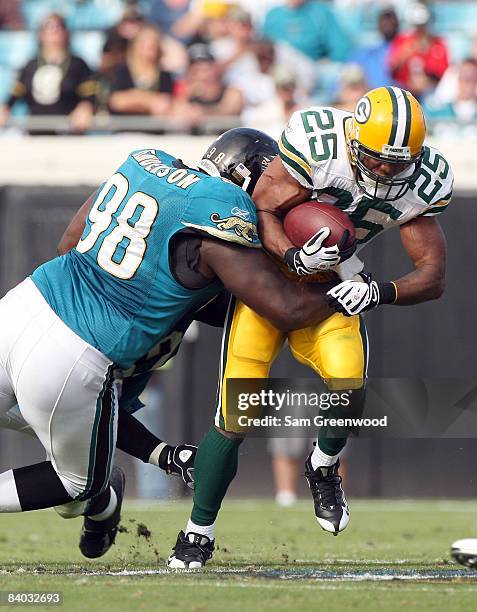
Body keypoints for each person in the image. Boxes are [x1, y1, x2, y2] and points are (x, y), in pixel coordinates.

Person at [0, 128, 337, 559]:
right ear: (246, 174)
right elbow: (285, 309)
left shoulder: (147, 161)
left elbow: (71, 243)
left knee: (78, 451)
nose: (280, 192)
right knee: (76, 485)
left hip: (26, 302)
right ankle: (102, 500)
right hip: (74, 350)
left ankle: (107, 497)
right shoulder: (223, 206)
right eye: (274, 178)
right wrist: (348, 286)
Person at [167, 86, 454, 568]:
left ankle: (323, 467)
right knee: (235, 416)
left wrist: (377, 290)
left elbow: (433, 275)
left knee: (350, 384)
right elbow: (261, 209)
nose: (386, 171)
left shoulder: (423, 180)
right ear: (354, 139)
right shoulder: (318, 146)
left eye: (397, 162)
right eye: (377, 159)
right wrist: (292, 254)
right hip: (266, 286)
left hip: (329, 292)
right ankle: (199, 531)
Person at [0, 13, 95, 134]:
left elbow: (90, 93)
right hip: (35, 132)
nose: (54, 31)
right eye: (48, 27)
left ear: (66, 32)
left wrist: (86, 107)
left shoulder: (78, 64)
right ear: (41, 34)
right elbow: (15, 93)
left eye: (58, 26)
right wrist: (5, 108)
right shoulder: (30, 65)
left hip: (67, 132)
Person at [108, 24, 174, 117]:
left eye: (153, 46)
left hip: (154, 128)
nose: (149, 52)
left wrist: (133, 98)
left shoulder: (164, 75)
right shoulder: (122, 72)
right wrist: (149, 101)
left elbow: (164, 105)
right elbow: (117, 102)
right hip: (126, 128)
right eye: (145, 46)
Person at [388, 2, 449, 99]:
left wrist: (427, 80)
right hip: (404, 92)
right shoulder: (402, 41)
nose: (420, 30)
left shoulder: (438, 43)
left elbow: (443, 73)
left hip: (431, 94)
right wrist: (405, 53)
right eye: (417, 26)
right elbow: (392, 68)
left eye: (423, 26)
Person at [351, 6, 400, 89]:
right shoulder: (367, 51)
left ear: (397, 24)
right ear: (378, 25)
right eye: (384, 20)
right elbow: (350, 71)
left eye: (390, 20)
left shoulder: (405, 47)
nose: (387, 23)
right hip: (371, 95)